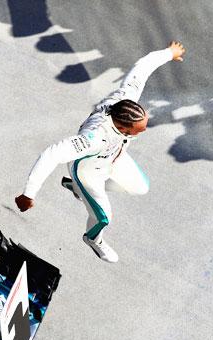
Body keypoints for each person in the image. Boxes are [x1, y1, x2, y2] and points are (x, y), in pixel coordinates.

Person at [15, 41, 186, 262]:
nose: (142, 131)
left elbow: (141, 69)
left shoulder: (126, 99)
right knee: (103, 217)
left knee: (140, 188)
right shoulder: (93, 138)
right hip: (87, 171)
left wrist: (168, 53)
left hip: (111, 158)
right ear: (122, 128)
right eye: (138, 130)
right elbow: (52, 154)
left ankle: (74, 188)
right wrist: (29, 193)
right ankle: (93, 240)